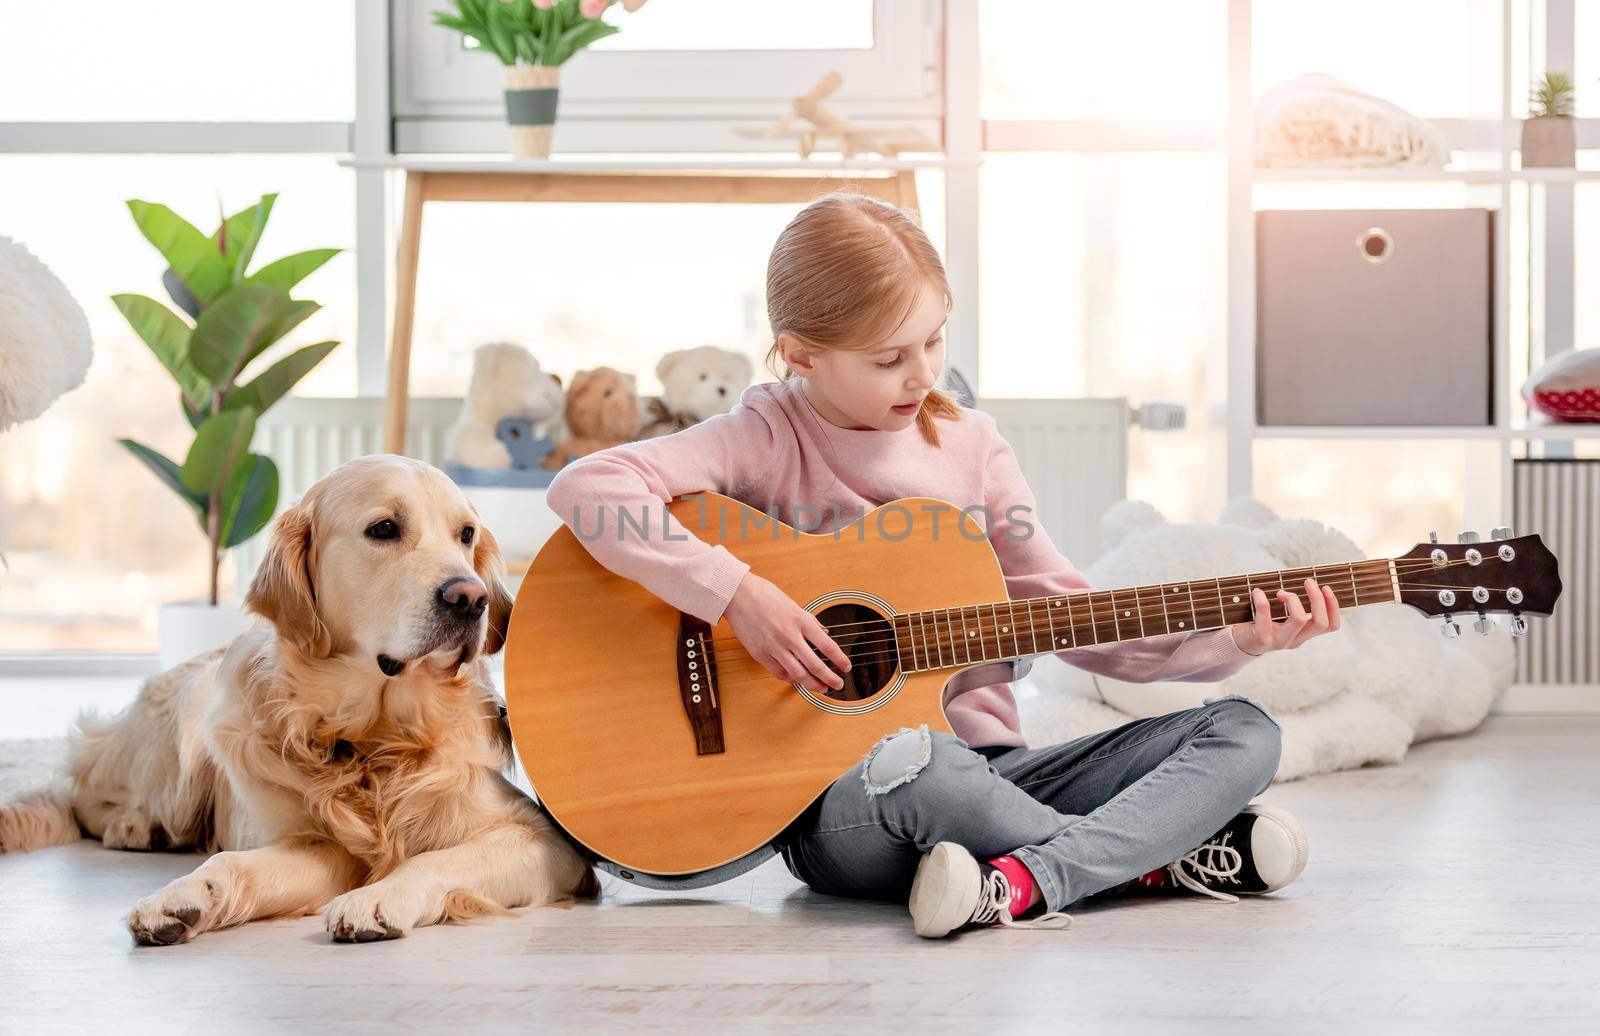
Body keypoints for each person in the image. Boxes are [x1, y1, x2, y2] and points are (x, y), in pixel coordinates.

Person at [544, 192, 1340, 939]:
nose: (923, 376)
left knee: (1244, 732)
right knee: (923, 767)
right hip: (847, 807)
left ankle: (1025, 881)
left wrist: (1238, 642)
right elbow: (591, 485)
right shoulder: (764, 435)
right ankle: (1151, 860)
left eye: (934, 340)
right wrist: (736, 594)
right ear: (801, 355)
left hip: (1001, 778)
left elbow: (1077, 620)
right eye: (889, 357)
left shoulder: (973, 450)